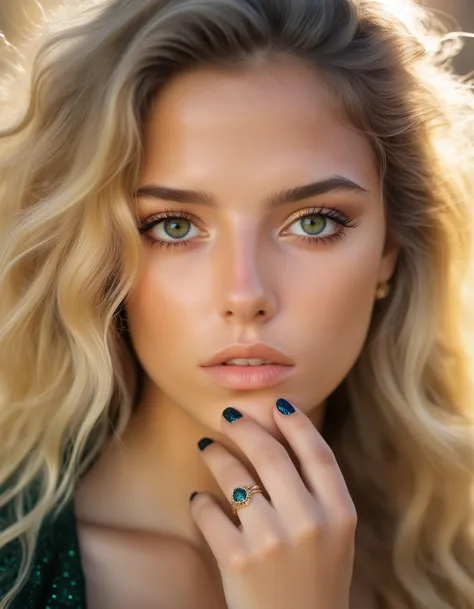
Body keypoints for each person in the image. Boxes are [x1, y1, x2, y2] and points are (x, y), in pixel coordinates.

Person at [1, 0, 474, 607]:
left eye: (312, 222)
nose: (245, 295)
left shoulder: (452, 562)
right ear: (99, 257)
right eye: (174, 226)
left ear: (390, 247)